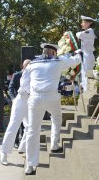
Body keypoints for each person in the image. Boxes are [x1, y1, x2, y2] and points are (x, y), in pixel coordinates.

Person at [22, 43, 82, 175]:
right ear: (54, 52)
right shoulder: (59, 61)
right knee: (56, 118)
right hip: (51, 97)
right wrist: (78, 52)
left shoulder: (32, 64)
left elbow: (24, 83)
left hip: (35, 99)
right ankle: (54, 144)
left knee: (33, 130)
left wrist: (32, 93)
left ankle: (30, 165)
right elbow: (76, 60)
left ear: (43, 51)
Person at [0, 59, 31, 165]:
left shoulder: (34, 75)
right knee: (13, 126)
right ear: (23, 66)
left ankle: (22, 146)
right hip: (19, 100)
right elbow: (11, 88)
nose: (30, 67)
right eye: (28, 65)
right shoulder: (17, 75)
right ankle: (4, 152)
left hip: (30, 102)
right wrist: (14, 99)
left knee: (30, 126)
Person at [76, 15, 97, 91]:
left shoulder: (90, 31)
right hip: (85, 56)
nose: (81, 24)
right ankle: (85, 91)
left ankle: (87, 92)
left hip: (88, 56)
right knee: (84, 75)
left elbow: (79, 35)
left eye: (83, 22)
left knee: (86, 76)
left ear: (89, 23)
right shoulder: (87, 32)